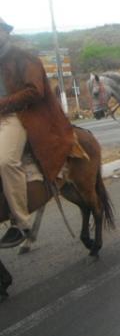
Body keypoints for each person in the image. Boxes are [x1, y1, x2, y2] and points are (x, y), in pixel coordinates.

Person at [0, 17, 74, 248]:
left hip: (20, 115)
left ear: (6, 33)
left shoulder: (24, 59)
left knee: (5, 161)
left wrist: (3, 103)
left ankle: (21, 222)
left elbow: (35, 91)